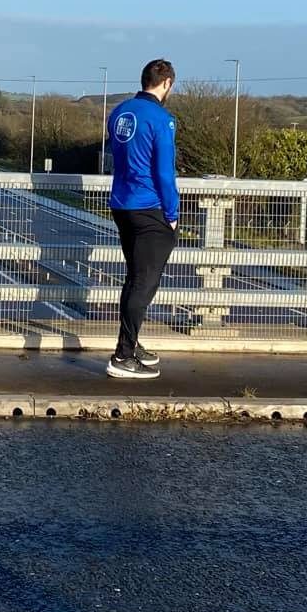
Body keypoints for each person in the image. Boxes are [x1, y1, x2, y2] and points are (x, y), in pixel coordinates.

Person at [105, 58, 179, 380]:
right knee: (145, 282)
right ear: (166, 84)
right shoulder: (162, 120)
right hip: (149, 208)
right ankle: (122, 355)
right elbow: (165, 172)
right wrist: (173, 213)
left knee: (135, 278)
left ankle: (131, 344)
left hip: (121, 203)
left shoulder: (119, 112)